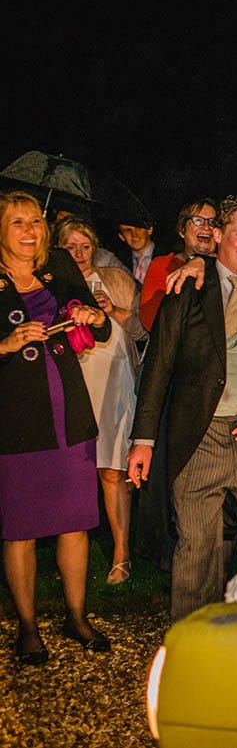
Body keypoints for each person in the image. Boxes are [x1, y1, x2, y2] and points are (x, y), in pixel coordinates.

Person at [127, 196, 237, 621]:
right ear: (217, 235)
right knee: (197, 550)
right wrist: (142, 441)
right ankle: (191, 640)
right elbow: (158, 367)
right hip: (199, 436)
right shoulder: (187, 289)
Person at [0, 191, 112, 664]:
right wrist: (5, 344)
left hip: (70, 417)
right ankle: (27, 626)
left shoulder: (61, 266)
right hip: (17, 422)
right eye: (18, 222)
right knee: (20, 529)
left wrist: (92, 315)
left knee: (74, 524)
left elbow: (100, 328)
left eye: (36, 222)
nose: (30, 231)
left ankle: (76, 616)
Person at [55, 217, 147, 584]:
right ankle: (70, 551)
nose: (79, 253)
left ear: (96, 248)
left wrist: (114, 311)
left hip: (114, 377)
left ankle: (121, 553)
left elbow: (142, 327)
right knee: (73, 469)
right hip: (74, 379)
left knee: (112, 469)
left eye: (85, 246)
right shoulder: (54, 286)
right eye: (70, 246)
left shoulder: (117, 279)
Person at [139, 197, 218, 330]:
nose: (206, 227)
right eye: (198, 221)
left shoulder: (225, 266)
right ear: (182, 231)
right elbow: (150, 320)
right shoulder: (164, 265)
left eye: (213, 222)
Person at [114, 213, 168, 284]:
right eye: (128, 230)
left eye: (138, 228)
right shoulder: (118, 263)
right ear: (121, 236)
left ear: (149, 229)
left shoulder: (168, 257)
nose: (134, 235)